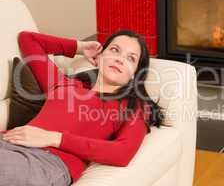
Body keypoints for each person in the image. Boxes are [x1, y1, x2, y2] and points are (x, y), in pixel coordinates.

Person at [0, 30, 166, 186]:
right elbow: (28, 39)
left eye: (131, 58)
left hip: (44, 161)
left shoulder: (133, 105)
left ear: (135, 73)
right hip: (7, 142)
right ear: (100, 56)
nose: (120, 59)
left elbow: (122, 153)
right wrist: (81, 47)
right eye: (115, 50)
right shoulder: (63, 84)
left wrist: (54, 138)